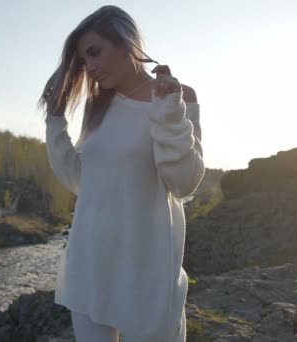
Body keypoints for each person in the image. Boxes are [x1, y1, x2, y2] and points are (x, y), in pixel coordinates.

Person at [38, 5, 205, 342]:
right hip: (89, 261)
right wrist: (55, 121)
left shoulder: (178, 95)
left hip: (147, 266)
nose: (91, 67)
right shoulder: (96, 106)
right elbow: (80, 181)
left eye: (95, 52)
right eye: (84, 61)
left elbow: (184, 182)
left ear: (125, 40)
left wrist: (169, 113)